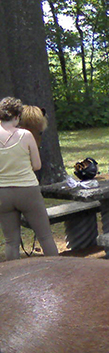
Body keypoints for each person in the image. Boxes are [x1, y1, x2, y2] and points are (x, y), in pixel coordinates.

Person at [0, 97, 59, 260]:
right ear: (18, 116)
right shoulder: (25, 135)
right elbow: (37, 165)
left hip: (2, 193)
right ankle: (57, 272)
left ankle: (13, 280)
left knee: (11, 241)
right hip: (27, 190)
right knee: (45, 237)